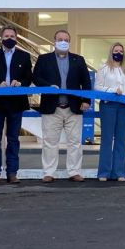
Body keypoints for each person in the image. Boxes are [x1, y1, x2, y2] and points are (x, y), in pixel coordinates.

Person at [33, 29, 92, 183]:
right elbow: (36, 78)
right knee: (50, 142)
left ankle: (74, 171)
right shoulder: (43, 59)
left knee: (75, 143)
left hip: (74, 107)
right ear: (54, 41)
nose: (63, 42)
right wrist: (48, 86)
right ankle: (49, 172)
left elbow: (86, 81)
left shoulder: (78, 60)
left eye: (66, 39)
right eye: (60, 39)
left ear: (69, 42)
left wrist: (86, 101)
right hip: (52, 107)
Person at [0, 26, 33, 184]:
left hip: (16, 103)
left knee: (13, 139)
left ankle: (12, 173)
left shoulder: (24, 56)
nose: (9, 38)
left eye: (12, 36)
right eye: (6, 36)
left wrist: (20, 83)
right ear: (1, 38)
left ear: (16, 38)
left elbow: (28, 78)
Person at [94, 43, 125, 182]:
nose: (119, 53)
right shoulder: (103, 69)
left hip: (124, 106)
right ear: (111, 52)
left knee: (121, 139)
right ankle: (104, 172)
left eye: (121, 51)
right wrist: (112, 91)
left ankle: (120, 172)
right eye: (116, 50)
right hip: (108, 106)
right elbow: (97, 87)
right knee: (107, 138)